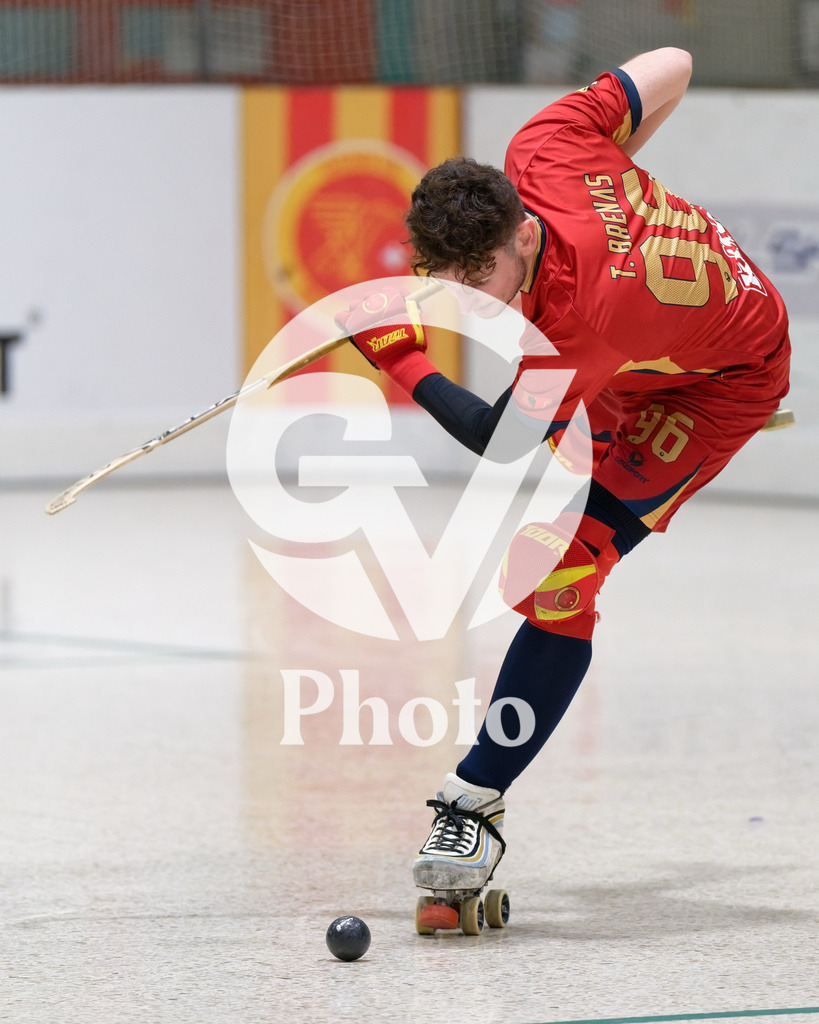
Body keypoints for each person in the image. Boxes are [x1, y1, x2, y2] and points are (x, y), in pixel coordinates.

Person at [337, 48, 790, 903]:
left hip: (715, 384)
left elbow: (498, 441)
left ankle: (472, 803)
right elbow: (677, 62)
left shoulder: (580, 316)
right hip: (637, 355)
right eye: (445, 281)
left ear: (518, 232)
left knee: (558, 579)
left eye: (483, 283)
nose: (470, 299)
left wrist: (395, 357)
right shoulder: (545, 144)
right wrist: (622, 169)